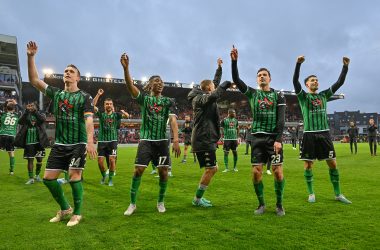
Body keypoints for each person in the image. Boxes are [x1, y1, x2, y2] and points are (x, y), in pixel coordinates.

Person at [27, 41, 96, 226]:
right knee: (48, 179)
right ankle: (66, 208)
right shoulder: (56, 94)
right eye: (65, 71)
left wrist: (90, 141)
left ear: (78, 78)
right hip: (60, 144)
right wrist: (31, 57)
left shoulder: (84, 97)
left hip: (78, 143)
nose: (67, 72)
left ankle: (77, 214)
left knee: (74, 176)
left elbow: (89, 120)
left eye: (71, 71)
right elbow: (34, 80)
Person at [120, 53, 181, 215]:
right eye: (156, 81)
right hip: (146, 140)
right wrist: (126, 69)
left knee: (163, 173)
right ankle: (132, 204)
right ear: (150, 84)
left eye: (161, 81)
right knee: (138, 170)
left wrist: (175, 139)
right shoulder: (145, 100)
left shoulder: (168, 101)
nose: (160, 83)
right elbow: (130, 86)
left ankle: (160, 202)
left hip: (162, 142)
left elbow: (173, 120)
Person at [231, 46, 286, 216]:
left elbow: (281, 119)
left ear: (270, 78)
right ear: (257, 79)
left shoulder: (278, 96)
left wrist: (278, 139)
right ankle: (261, 204)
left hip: (273, 139)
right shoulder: (253, 94)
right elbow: (237, 79)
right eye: (259, 75)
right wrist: (234, 62)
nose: (262, 77)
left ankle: (279, 204)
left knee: (277, 172)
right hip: (256, 138)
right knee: (256, 173)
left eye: (265, 75)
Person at [293, 55, 351, 204]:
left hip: (324, 133)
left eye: (317, 80)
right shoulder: (303, 97)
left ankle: (338, 194)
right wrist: (298, 64)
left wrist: (345, 67)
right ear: (307, 84)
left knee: (332, 163)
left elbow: (339, 82)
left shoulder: (324, 95)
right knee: (308, 164)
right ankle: (311, 193)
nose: (316, 81)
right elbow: (295, 81)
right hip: (309, 135)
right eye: (312, 80)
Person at [188, 58, 231, 207]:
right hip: (203, 139)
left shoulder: (204, 95)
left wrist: (219, 68)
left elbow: (215, 85)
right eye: (213, 86)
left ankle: (198, 198)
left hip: (207, 138)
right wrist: (227, 84)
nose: (215, 87)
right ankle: (197, 199)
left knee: (213, 168)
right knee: (211, 168)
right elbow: (214, 94)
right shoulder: (199, 99)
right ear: (208, 88)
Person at [93, 88, 129, 186]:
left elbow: (127, 116)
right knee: (100, 162)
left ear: (112, 105)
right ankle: (104, 176)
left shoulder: (116, 115)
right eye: (107, 104)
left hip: (112, 141)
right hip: (101, 141)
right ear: (104, 105)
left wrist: (124, 112)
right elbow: (92, 106)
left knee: (112, 160)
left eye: (110, 104)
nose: (108, 105)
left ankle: (110, 179)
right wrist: (98, 94)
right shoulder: (101, 114)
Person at [14, 102, 49, 184]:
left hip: (39, 141)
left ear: (36, 107)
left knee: (39, 160)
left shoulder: (41, 113)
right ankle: (31, 178)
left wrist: (35, 112)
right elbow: (20, 121)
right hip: (29, 141)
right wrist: (26, 111)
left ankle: (37, 175)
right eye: (29, 106)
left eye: (32, 106)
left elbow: (42, 120)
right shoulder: (26, 114)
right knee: (30, 160)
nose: (30, 107)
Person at [0, 99, 19, 175]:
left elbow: (1, 107)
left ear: (6, 108)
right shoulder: (17, 115)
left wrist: (6, 102)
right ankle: (11, 171)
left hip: (2, 135)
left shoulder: (3, 114)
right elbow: (21, 110)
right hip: (11, 136)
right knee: (11, 153)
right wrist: (16, 103)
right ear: (14, 108)